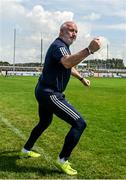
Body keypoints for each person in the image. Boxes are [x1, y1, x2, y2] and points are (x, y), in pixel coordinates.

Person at [19, 21, 101, 175]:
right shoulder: (59, 46)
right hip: (50, 93)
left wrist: (82, 78)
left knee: (44, 122)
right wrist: (89, 49)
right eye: (71, 30)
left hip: (42, 90)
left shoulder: (63, 47)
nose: (74, 34)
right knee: (79, 123)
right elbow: (67, 62)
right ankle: (63, 160)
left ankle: (25, 150)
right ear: (62, 31)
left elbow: (69, 66)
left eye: (76, 31)